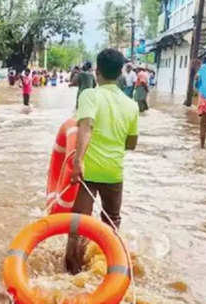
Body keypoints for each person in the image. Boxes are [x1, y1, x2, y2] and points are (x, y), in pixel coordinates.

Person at [65, 48, 139, 275]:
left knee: (78, 225)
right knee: (112, 222)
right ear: (119, 74)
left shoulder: (89, 95)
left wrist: (78, 162)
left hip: (89, 171)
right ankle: (107, 270)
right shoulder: (131, 105)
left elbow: (85, 127)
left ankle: (72, 273)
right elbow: (131, 144)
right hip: (114, 172)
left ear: (97, 71)